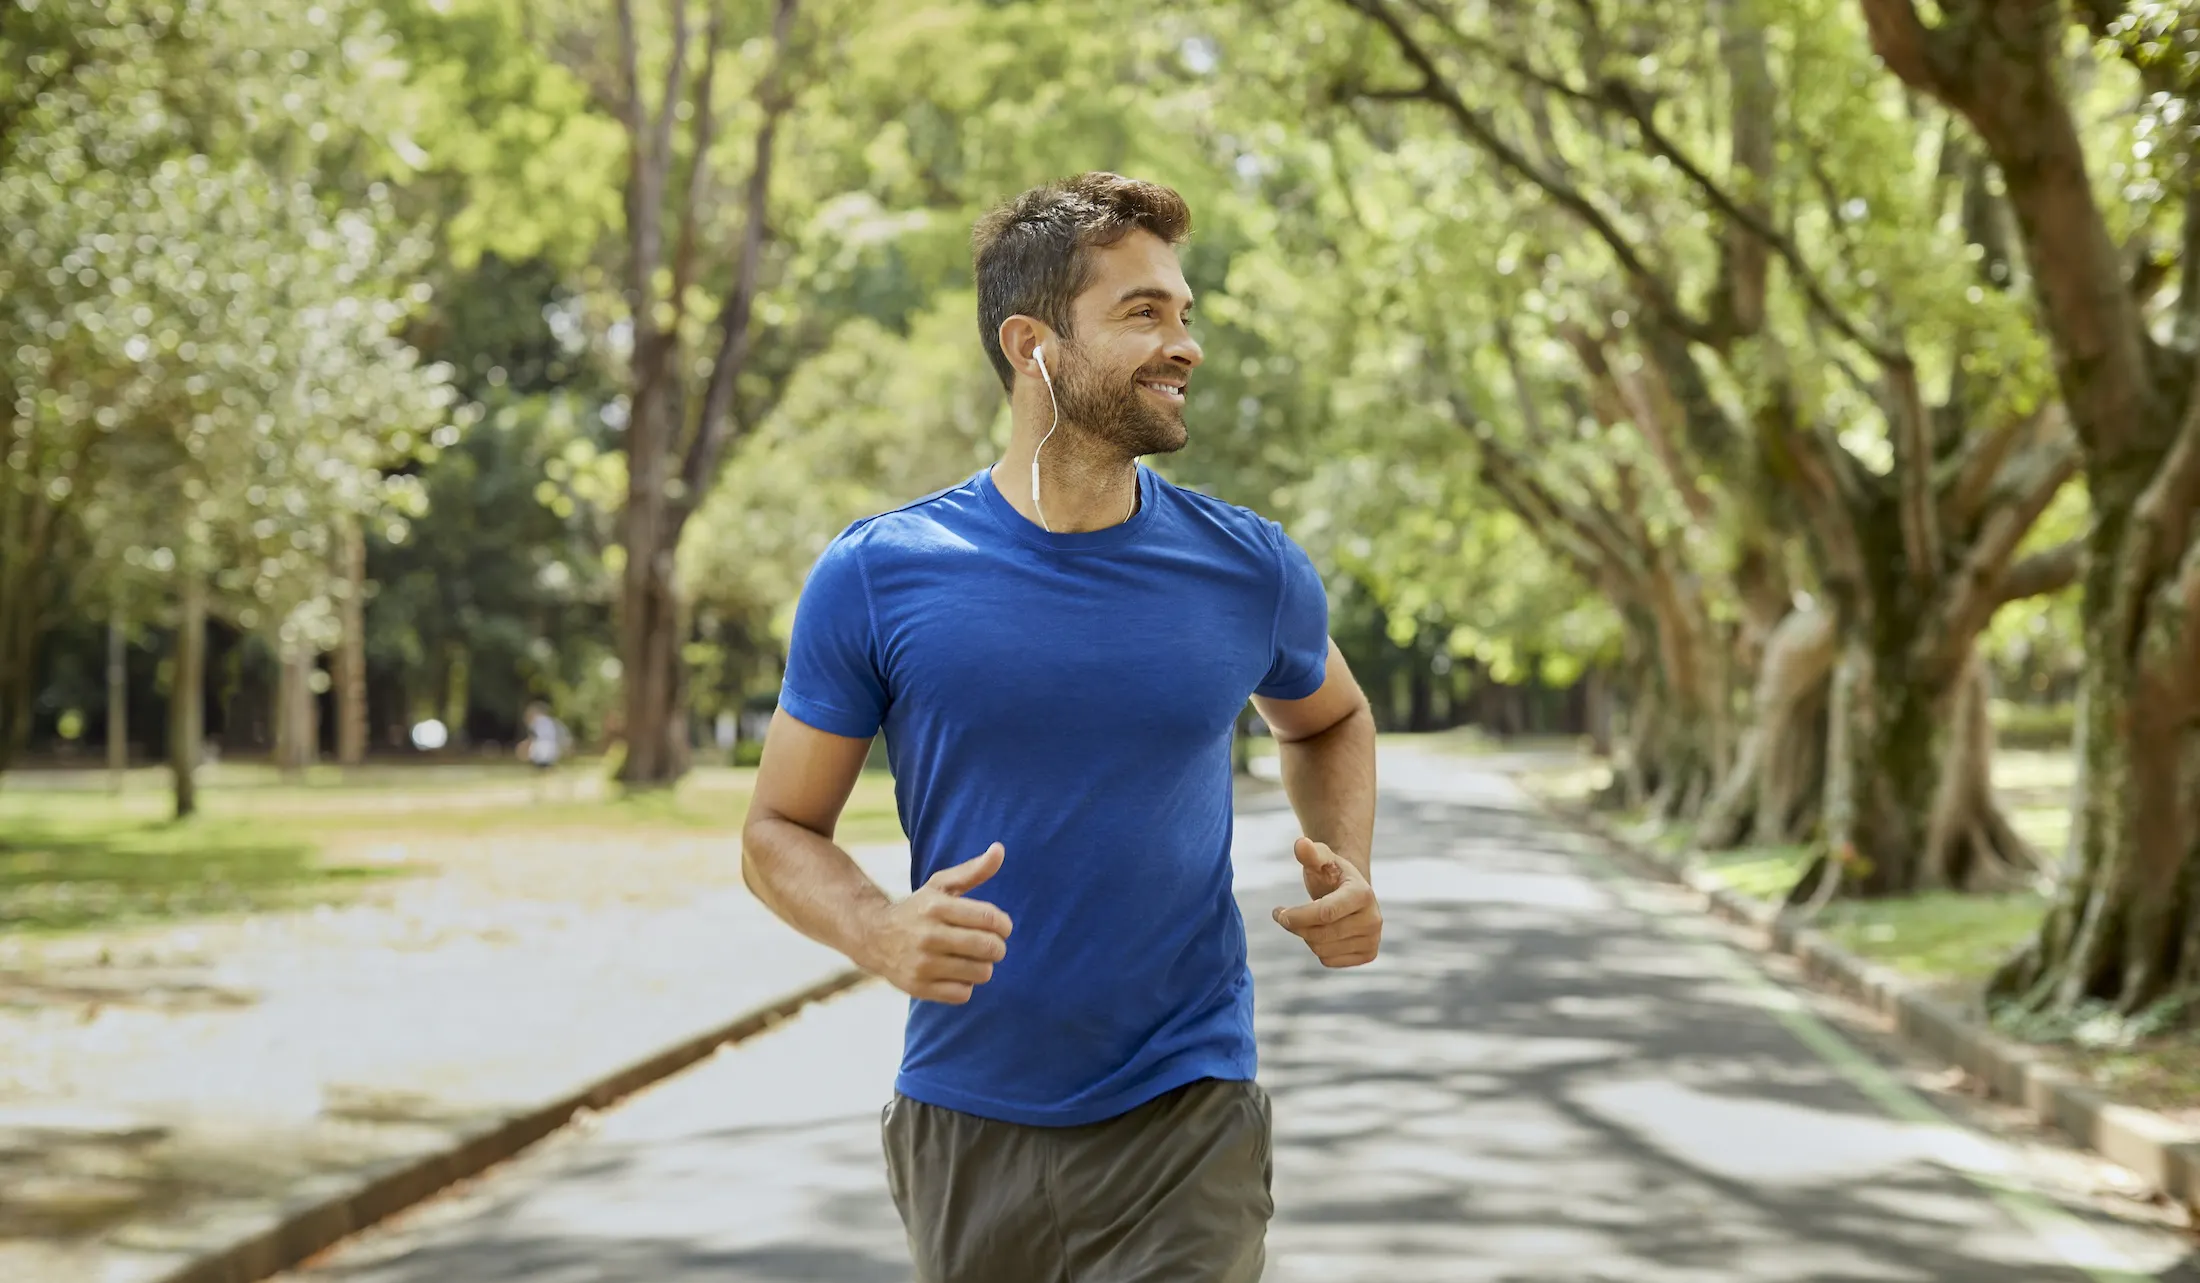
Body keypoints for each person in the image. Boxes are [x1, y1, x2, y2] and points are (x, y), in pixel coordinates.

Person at [740, 172, 1380, 1282]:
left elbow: (1330, 716)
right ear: (1032, 344)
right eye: (1143, 313)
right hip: (965, 1116)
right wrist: (875, 930)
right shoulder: (878, 574)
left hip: (1188, 1108)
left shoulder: (1246, 566)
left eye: (1184, 313)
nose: (1184, 344)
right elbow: (777, 828)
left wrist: (1348, 865)